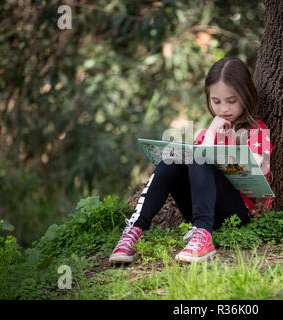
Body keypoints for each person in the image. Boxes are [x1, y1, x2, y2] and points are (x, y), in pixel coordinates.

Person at [109, 57, 274, 264]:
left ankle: (204, 235)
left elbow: (260, 171)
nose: (224, 109)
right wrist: (211, 132)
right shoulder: (207, 133)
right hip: (199, 210)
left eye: (232, 101)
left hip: (237, 212)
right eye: (216, 102)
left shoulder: (257, 131)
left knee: (200, 156)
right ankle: (133, 231)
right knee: (172, 160)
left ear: (246, 96)